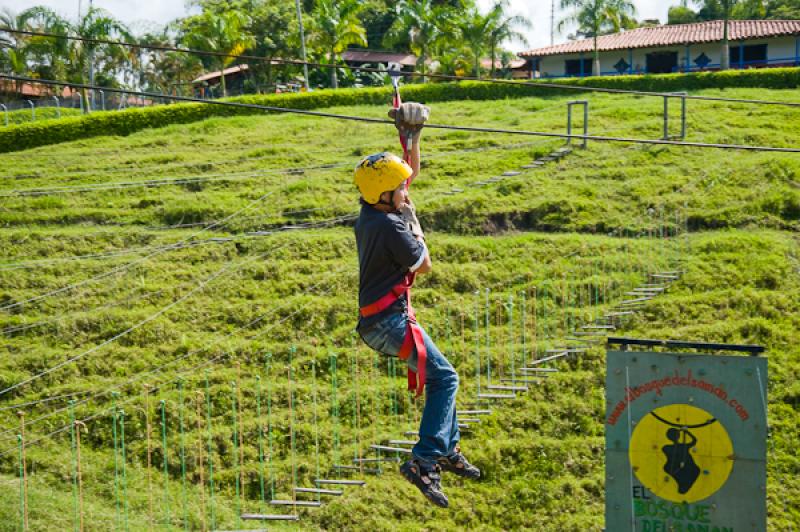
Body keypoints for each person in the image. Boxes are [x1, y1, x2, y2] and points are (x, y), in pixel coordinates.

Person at [353, 101, 480, 509]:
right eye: (401, 190)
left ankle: (446, 447)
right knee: (445, 379)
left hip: (382, 320)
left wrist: (412, 140)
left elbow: (407, 178)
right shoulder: (391, 227)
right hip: (388, 321)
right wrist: (416, 224)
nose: (407, 192)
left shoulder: (371, 213)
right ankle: (425, 459)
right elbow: (423, 265)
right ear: (386, 196)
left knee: (443, 377)